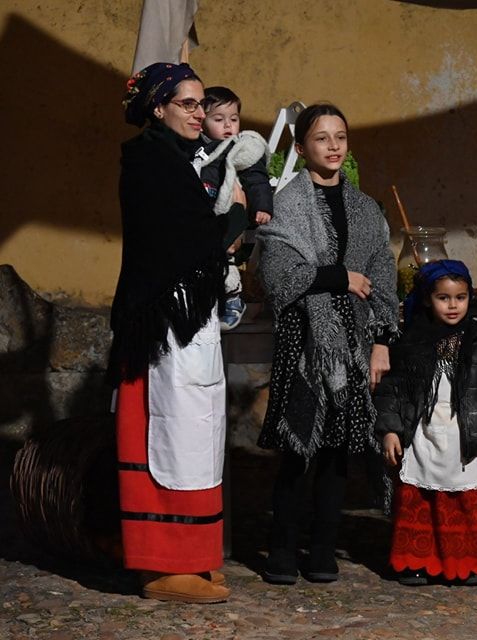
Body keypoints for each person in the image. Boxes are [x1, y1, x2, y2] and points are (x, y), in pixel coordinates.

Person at [111, 62, 247, 603]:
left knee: (199, 433)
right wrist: (234, 219)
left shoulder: (185, 159)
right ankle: (160, 564)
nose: (199, 113)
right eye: (188, 104)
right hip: (162, 324)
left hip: (190, 317)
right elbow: (189, 238)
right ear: (158, 107)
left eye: (200, 104)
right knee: (167, 436)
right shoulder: (149, 160)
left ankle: (194, 556)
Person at [256, 103, 398, 585]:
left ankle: (321, 548)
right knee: (299, 445)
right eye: (321, 138)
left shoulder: (366, 208)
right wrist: (339, 276)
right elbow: (276, 275)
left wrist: (381, 341)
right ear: (300, 148)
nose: (333, 146)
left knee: (339, 449)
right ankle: (280, 547)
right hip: (303, 338)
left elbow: (382, 275)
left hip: (355, 340)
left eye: (341, 136)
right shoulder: (286, 205)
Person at [374, 260, 477, 586]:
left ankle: (464, 565)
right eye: (444, 298)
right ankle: (415, 563)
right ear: (427, 299)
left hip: (464, 434)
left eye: (461, 298)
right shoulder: (411, 342)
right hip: (421, 432)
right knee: (420, 498)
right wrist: (390, 430)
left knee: (461, 501)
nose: (453, 306)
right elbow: (392, 390)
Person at [199, 86, 274, 330]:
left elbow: (257, 179)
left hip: (230, 211)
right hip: (203, 213)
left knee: (226, 259)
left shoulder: (241, 148)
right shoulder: (195, 148)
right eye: (218, 119)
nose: (228, 126)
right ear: (202, 121)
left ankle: (232, 298)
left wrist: (262, 206)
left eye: (233, 119)